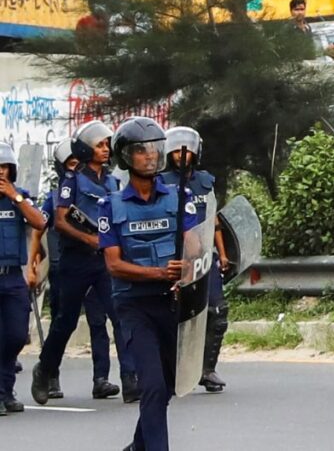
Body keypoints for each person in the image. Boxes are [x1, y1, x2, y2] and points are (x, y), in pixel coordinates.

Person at [101, 117, 199, 451]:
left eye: (154, 148)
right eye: (140, 150)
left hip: (172, 304)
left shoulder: (178, 196)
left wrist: (185, 266)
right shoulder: (110, 206)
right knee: (153, 386)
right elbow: (113, 264)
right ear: (125, 157)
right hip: (134, 306)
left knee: (169, 385)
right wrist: (159, 274)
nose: (150, 156)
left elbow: (195, 244)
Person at [31, 121, 139, 405]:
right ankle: (45, 369)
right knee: (65, 321)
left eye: (107, 145)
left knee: (120, 316)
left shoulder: (113, 182)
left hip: (104, 261)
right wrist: (89, 240)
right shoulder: (72, 179)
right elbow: (61, 220)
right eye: (100, 145)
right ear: (86, 148)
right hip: (76, 261)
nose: (105, 150)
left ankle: (130, 379)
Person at [160, 126, 230, 393]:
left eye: (186, 150)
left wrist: (221, 254)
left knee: (217, 312)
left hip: (204, 256)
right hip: (174, 258)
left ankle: (207, 369)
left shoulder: (205, 181)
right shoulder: (161, 182)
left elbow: (214, 219)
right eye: (176, 150)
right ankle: (171, 370)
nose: (181, 154)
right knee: (172, 315)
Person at [0, 143, 46, 416]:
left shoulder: (20, 198)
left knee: (16, 335)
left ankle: (5, 389)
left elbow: (40, 222)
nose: (1, 172)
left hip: (12, 277)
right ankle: (3, 393)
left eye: (5, 167)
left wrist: (14, 196)